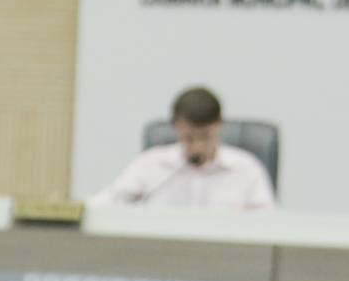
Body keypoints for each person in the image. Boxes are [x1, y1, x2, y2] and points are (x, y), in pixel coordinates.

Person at [86, 87, 276, 212]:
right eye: (189, 138)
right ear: (176, 127)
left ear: (220, 124)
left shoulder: (246, 169)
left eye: (205, 136)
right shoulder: (151, 165)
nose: (198, 147)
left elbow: (268, 223)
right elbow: (106, 203)